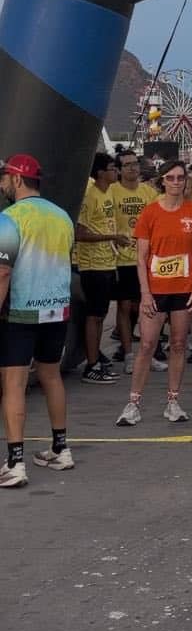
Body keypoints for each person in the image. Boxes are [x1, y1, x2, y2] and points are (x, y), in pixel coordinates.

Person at [0, 155, 76, 488]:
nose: (2, 184)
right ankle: (61, 449)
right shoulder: (62, 217)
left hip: (20, 313)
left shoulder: (9, 218)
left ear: (17, 180)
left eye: (4, 178)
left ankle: (15, 463)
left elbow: (2, 272)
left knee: (13, 384)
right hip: (57, 310)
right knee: (51, 376)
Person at [117, 160, 192, 426]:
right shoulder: (150, 213)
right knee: (147, 345)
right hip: (156, 290)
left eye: (180, 178)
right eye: (171, 178)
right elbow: (141, 257)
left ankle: (173, 401)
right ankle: (133, 403)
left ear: (186, 182)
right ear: (163, 181)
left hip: (184, 289)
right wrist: (145, 293)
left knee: (179, 344)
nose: (176, 182)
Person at [76, 152, 131, 384]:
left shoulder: (106, 192)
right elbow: (79, 233)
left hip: (108, 262)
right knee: (94, 316)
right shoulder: (90, 196)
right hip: (92, 265)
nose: (116, 171)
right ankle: (91, 365)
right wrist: (112, 237)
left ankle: (96, 358)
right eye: (112, 168)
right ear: (100, 172)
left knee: (100, 315)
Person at [110, 150, 158, 374]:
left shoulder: (148, 192)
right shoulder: (111, 191)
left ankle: (148, 352)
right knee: (124, 306)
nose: (132, 168)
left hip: (146, 257)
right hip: (121, 258)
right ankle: (129, 354)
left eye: (135, 164)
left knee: (145, 306)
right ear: (118, 170)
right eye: (127, 165)